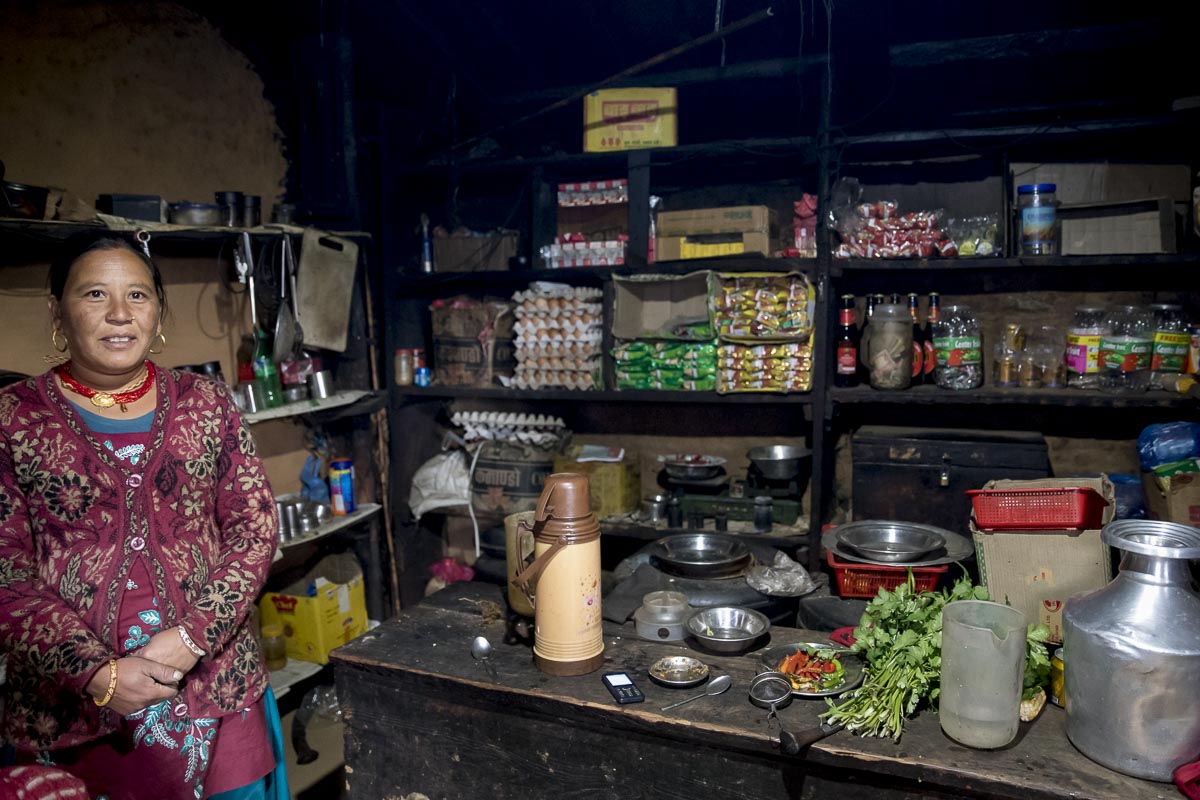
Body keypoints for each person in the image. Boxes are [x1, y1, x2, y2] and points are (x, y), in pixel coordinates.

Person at [0, 231, 287, 799]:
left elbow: (254, 530)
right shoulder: (13, 419)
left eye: (137, 296)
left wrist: (192, 636)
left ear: (158, 313)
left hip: (214, 688)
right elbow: (5, 570)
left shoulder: (205, 403)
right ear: (58, 312)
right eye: (94, 296)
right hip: (69, 712)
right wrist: (95, 673)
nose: (118, 315)